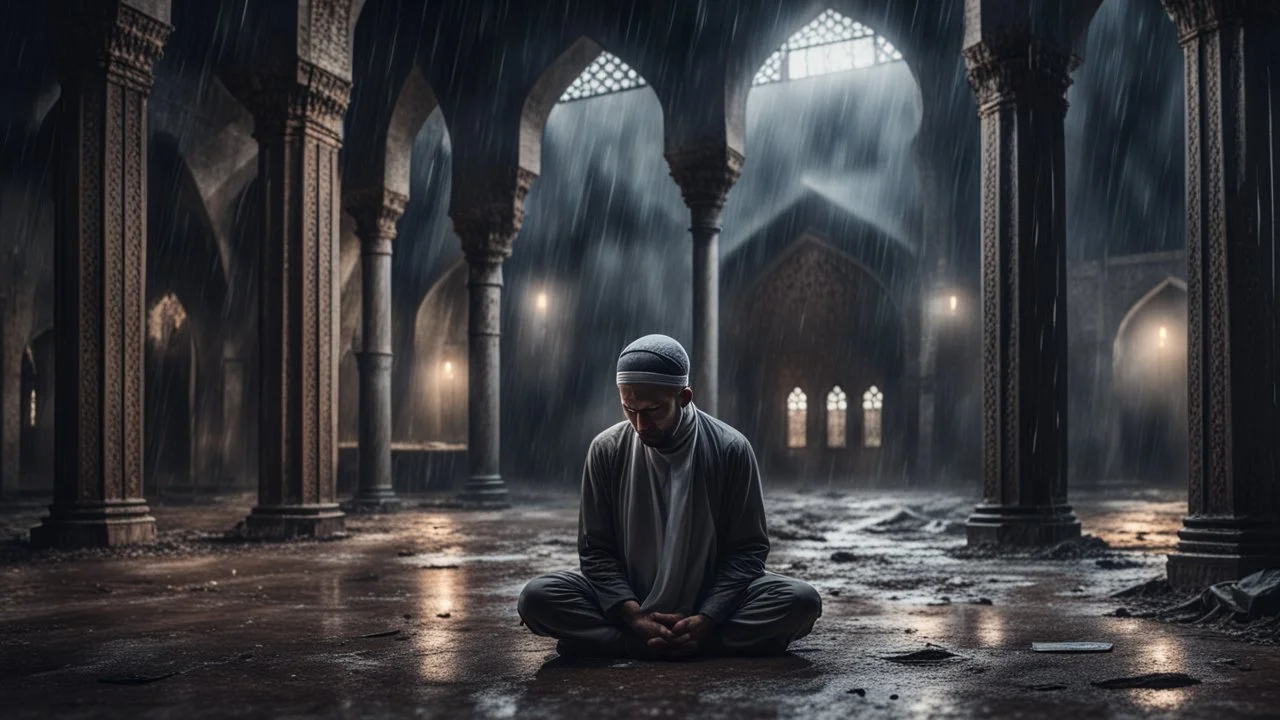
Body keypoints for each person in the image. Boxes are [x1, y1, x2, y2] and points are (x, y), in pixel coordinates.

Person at [518, 333, 821, 659]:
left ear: (685, 396)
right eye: (628, 409)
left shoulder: (730, 449)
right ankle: (679, 645)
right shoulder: (605, 450)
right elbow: (596, 552)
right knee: (536, 598)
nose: (640, 423)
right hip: (627, 603)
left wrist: (706, 618)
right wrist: (634, 616)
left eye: (653, 409)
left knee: (800, 602)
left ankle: (634, 644)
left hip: (711, 604)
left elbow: (747, 551)